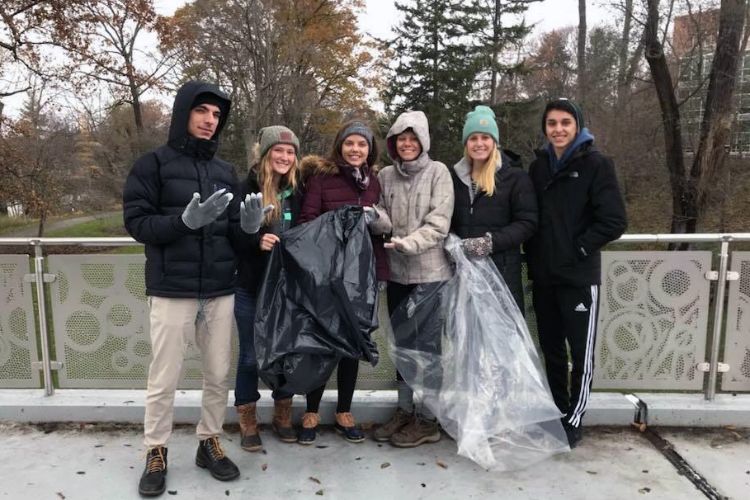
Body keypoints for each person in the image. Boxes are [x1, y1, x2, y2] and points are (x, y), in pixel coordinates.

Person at [124, 81, 266, 497]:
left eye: (217, 115)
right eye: (202, 110)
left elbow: (234, 239)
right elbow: (137, 224)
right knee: (164, 376)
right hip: (172, 291)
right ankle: (156, 449)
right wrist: (183, 223)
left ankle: (209, 441)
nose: (209, 120)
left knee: (218, 374)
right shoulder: (152, 166)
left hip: (221, 290)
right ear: (184, 112)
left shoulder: (225, 173)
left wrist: (251, 229)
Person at [525, 98, 627, 448]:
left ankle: (574, 416)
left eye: (565, 122)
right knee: (551, 348)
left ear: (577, 125)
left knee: (580, 352)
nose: (558, 129)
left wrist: (579, 248)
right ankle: (556, 409)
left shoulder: (597, 165)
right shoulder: (538, 168)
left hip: (579, 277)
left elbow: (614, 221)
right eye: (552, 123)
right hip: (543, 276)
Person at [296, 120, 389, 445]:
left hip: (363, 278)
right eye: (349, 143)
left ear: (369, 150)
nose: (355, 149)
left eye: (361, 145)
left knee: (353, 344)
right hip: (328, 276)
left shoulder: (375, 182)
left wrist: (376, 221)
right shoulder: (322, 179)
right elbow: (307, 221)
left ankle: (344, 410)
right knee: (322, 342)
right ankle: (311, 409)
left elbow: (386, 226)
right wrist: (336, 227)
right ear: (340, 146)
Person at [369, 110, 454, 448]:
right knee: (402, 346)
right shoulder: (386, 175)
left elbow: (439, 223)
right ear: (393, 143)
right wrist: (374, 217)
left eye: (412, 138)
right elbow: (383, 215)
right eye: (401, 139)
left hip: (430, 275)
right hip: (397, 275)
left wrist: (410, 243)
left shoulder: (439, 173)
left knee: (428, 349)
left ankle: (429, 419)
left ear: (423, 141)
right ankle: (404, 409)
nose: (406, 144)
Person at [233, 126, 304, 451]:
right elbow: (230, 234)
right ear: (265, 154)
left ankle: (283, 413)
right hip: (251, 286)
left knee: (285, 353)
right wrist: (255, 239)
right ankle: (247, 418)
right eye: (279, 151)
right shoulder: (246, 188)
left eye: (290, 152)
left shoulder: (298, 189)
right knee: (250, 356)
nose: (285, 157)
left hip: (287, 290)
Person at [449, 105, 538, 312]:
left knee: (503, 341)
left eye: (485, 137)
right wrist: (450, 240)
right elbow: (448, 218)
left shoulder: (515, 178)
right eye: (473, 138)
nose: (479, 143)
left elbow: (527, 222)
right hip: (464, 275)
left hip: (502, 275)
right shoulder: (454, 178)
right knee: (466, 339)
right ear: (466, 143)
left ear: (494, 142)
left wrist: (490, 243)